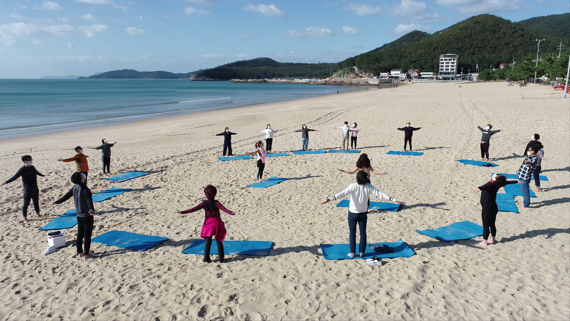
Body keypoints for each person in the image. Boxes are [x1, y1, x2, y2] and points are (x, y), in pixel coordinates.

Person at [321, 171, 404, 258]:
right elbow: (380, 194)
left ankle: (352, 253)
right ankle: (362, 253)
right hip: (363, 214)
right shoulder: (369, 186)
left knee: (352, 233)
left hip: (352, 213)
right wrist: (393, 199)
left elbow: (342, 193)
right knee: (363, 233)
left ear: (357, 178)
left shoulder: (353, 186)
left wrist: (330, 199)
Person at [175, 185, 241, 263]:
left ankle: (206, 258)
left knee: (208, 243)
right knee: (219, 241)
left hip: (208, 225)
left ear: (206, 195)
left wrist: (182, 212)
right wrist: (234, 213)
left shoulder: (204, 203)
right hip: (217, 224)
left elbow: (193, 209)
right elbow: (224, 209)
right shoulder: (216, 203)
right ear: (215, 194)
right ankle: (221, 259)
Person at [51, 173, 97, 259]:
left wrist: (57, 202)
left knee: (80, 234)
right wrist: (91, 209)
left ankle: (80, 252)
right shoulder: (85, 189)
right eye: (81, 176)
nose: (83, 176)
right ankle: (87, 254)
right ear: (81, 179)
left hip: (79, 216)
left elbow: (66, 197)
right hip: (87, 216)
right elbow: (89, 200)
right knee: (87, 235)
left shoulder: (75, 188)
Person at [473, 174, 519, 247]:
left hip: (487, 208)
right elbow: (507, 182)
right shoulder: (498, 184)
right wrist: (516, 181)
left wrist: (479, 188)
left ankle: (485, 241)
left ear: (495, 179)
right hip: (494, 207)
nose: (495, 175)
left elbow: (485, 186)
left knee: (486, 225)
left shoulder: (491, 185)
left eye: (496, 176)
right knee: (492, 224)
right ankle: (493, 239)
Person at [1, 155, 45, 223]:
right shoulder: (22, 169)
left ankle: (38, 214)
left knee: (36, 202)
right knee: (26, 204)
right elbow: (15, 177)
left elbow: (36, 172)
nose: (31, 160)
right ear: (24, 161)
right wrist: (5, 182)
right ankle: (25, 218)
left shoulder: (32, 167)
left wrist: (42, 175)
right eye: (29, 159)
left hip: (35, 189)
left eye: (31, 159)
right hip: (28, 190)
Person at [517, 144, 540, 208]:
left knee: (525, 192)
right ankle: (524, 202)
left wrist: (528, 162)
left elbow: (532, 163)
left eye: (530, 150)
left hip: (525, 178)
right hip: (521, 176)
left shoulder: (534, 158)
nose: (528, 151)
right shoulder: (529, 156)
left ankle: (526, 205)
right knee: (522, 190)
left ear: (533, 151)